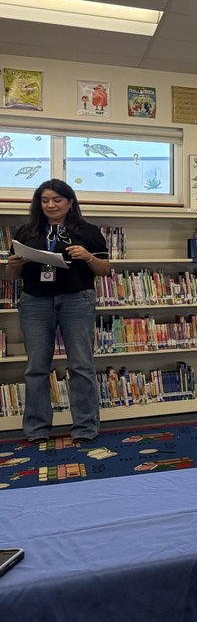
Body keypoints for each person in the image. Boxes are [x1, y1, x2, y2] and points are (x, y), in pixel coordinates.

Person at [5, 180, 111, 444]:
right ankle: (37, 429)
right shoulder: (26, 232)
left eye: (57, 200)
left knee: (82, 366)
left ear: (70, 202)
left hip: (76, 300)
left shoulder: (88, 231)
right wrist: (14, 264)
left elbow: (104, 270)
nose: (50, 205)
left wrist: (87, 256)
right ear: (38, 203)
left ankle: (85, 428)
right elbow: (13, 276)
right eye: (44, 200)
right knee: (36, 367)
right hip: (35, 303)